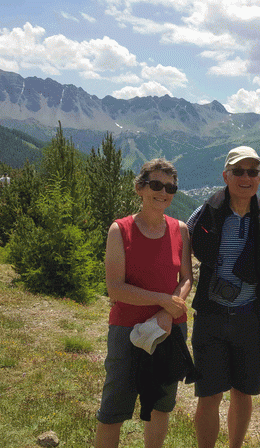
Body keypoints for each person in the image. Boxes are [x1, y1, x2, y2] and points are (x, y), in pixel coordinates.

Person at [95, 158, 193, 448]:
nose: (163, 192)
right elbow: (115, 289)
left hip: (169, 329)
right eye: (156, 185)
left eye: (170, 188)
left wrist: (167, 314)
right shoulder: (120, 230)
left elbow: (187, 278)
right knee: (113, 409)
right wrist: (163, 302)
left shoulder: (180, 229)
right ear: (140, 188)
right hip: (128, 330)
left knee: (161, 405)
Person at [187, 146, 260, 448]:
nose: (245, 177)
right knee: (209, 395)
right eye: (238, 171)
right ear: (225, 176)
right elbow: (184, 242)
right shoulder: (206, 213)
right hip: (211, 316)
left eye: (252, 172)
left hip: (250, 319)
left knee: (243, 394)